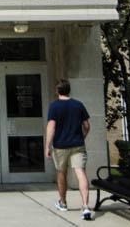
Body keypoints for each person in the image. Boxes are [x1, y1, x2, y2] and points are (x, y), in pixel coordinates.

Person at [45, 78, 92, 221]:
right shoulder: (78, 105)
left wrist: (47, 145)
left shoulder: (54, 106)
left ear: (57, 90)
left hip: (60, 146)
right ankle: (85, 206)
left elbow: (51, 127)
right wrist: (83, 136)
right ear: (69, 90)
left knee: (61, 173)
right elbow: (87, 126)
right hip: (78, 145)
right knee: (80, 173)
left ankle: (63, 202)